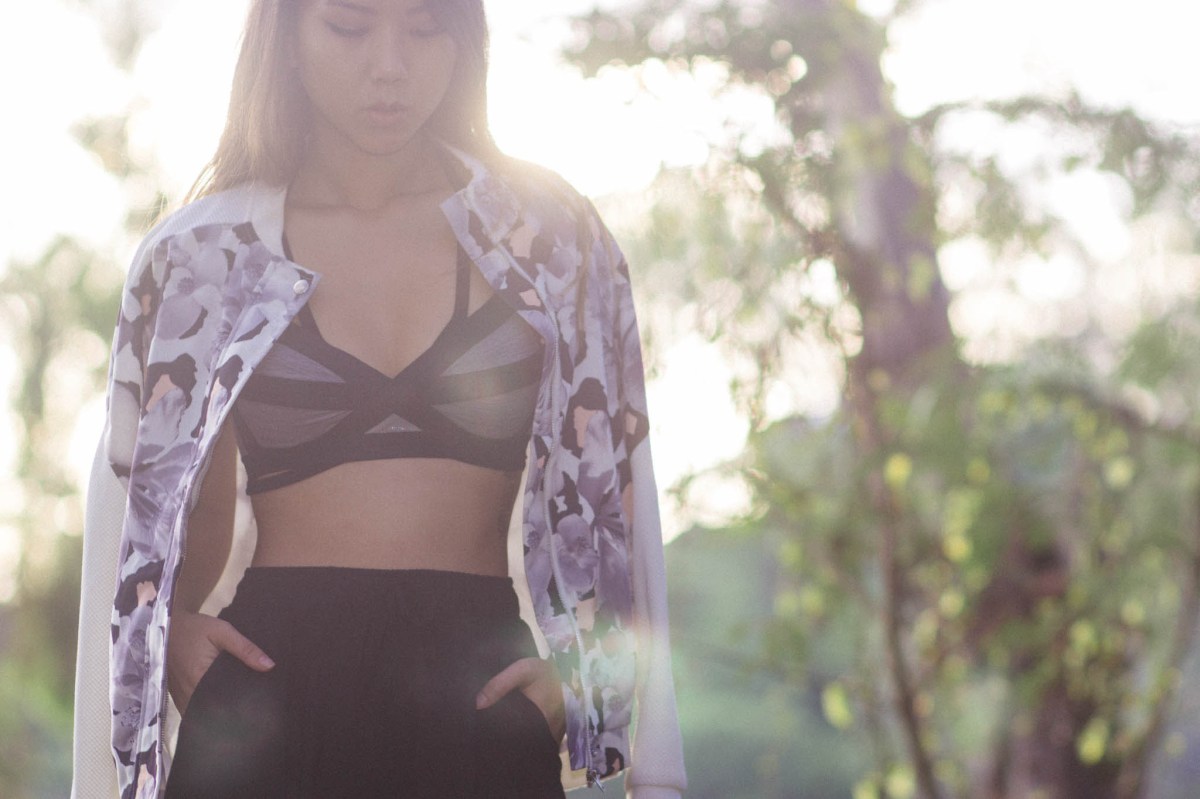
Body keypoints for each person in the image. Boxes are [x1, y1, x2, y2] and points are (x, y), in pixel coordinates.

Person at [69, 1, 687, 797]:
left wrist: (600, 688)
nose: (390, 66)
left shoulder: (550, 239)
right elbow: (148, 521)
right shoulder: (201, 254)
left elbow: (622, 491)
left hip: (483, 704)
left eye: (425, 28)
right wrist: (174, 639)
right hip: (265, 711)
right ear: (288, 37)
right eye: (350, 27)